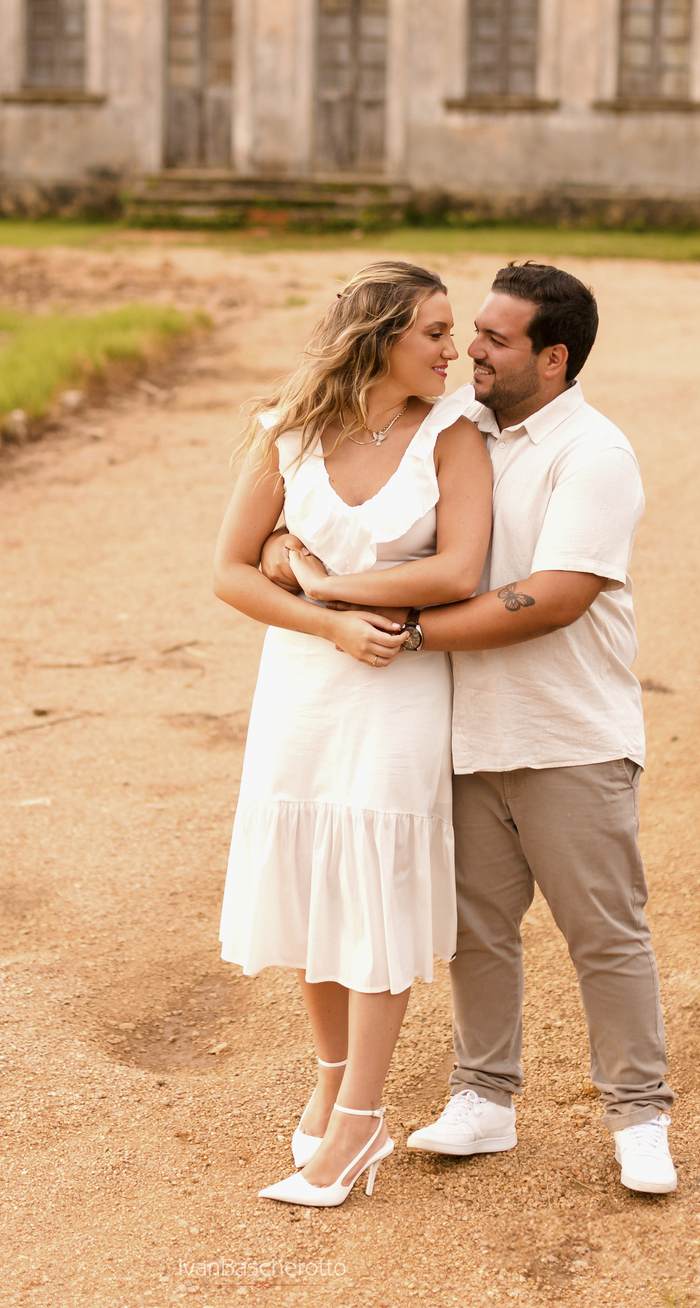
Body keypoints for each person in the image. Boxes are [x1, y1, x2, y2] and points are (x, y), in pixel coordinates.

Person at [263, 261, 676, 1196]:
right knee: (477, 931)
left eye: (494, 339)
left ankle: (639, 1116)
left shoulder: (595, 454)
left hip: (568, 731)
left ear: (553, 358)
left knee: (603, 932)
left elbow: (554, 597)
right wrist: (292, 550)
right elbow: (335, 497)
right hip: (462, 728)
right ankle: (484, 1097)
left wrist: (403, 633)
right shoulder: (460, 425)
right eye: (467, 332)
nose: (470, 352)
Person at [213, 260, 492, 1209]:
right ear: (379, 340)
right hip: (304, 687)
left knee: (374, 889)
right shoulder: (288, 432)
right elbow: (229, 570)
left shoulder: (453, 434)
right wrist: (326, 624)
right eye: (435, 333)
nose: (454, 351)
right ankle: (333, 1079)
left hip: (398, 691)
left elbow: (457, 572)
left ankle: (363, 1119)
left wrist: (329, 585)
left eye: (453, 332)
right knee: (312, 883)